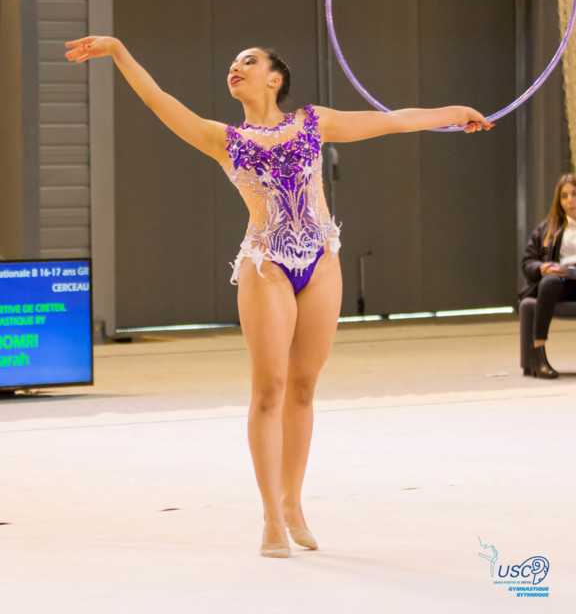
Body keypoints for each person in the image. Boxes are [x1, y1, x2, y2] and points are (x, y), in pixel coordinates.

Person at [65, 37, 493, 557]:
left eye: (248, 61)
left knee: (304, 388)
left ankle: (293, 503)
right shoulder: (223, 139)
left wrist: (454, 113)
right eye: (231, 63)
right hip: (267, 264)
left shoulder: (313, 122)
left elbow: (393, 120)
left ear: (275, 79)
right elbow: (159, 101)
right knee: (269, 390)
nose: (235, 67)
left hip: (321, 262)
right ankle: (270, 514)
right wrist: (118, 51)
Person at [519, 173, 576, 379]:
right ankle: (538, 354)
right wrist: (543, 268)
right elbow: (527, 263)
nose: (570, 200)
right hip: (559, 285)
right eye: (564, 196)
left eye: (574, 194)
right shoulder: (547, 229)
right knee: (550, 282)